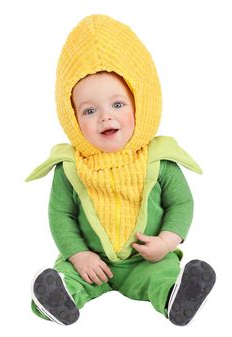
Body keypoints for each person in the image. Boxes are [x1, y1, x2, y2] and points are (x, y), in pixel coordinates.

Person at [26, 14, 216, 326]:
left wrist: (167, 241)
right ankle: (58, 298)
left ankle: (174, 295)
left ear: (141, 103)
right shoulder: (71, 167)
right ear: (71, 117)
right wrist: (78, 255)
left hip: (147, 258)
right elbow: (61, 216)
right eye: (89, 110)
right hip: (92, 263)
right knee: (70, 276)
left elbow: (181, 203)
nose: (105, 117)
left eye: (117, 104)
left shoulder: (159, 158)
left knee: (161, 273)